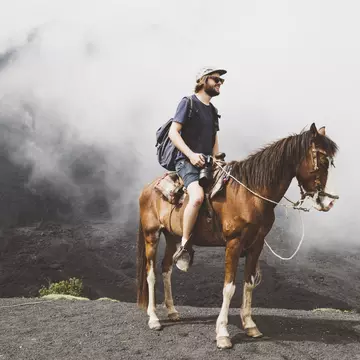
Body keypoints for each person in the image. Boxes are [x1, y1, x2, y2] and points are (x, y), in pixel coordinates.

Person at [168, 67, 227, 271]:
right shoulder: (188, 103)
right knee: (198, 197)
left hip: (208, 163)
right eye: (216, 79)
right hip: (186, 161)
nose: (220, 83)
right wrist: (191, 155)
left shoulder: (212, 111)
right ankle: (184, 246)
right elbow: (173, 133)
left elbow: (214, 138)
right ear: (203, 80)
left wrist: (218, 159)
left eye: (221, 81)